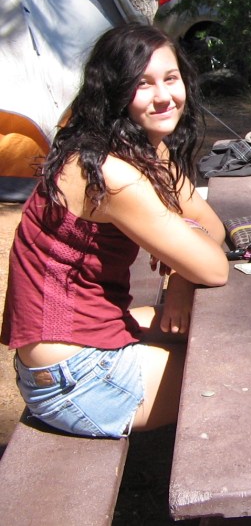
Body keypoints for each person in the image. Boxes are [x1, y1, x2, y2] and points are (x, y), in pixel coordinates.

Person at [1, 23, 229, 438]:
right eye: (143, 84)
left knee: (212, 327)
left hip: (78, 346)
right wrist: (187, 262)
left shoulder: (135, 149)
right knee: (237, 366)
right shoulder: (109, 174)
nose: (164, 96)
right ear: (115, 91)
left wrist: (180, 279)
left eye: (171, 78)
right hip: (78, 378)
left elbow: (212, 227)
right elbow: (214, 268)